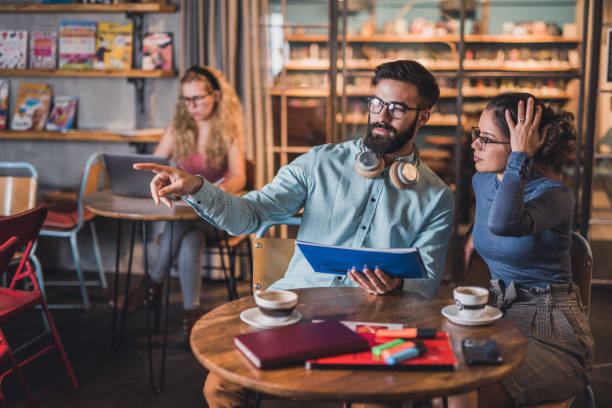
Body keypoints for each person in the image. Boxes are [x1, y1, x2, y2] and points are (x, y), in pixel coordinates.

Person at [135, 60, 454, 408]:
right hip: (296, 309)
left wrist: (398, 285)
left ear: (423, 116)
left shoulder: (437, 197)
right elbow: (250, 215)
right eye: (376, 103)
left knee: (373, 402)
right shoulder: (320, 162)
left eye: (396, 108)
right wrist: (197, 186)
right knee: (219, 387)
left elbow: (427, 284)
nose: (381, 116)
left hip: (374, 319)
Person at [455, 93, 595, 408]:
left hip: (553, 332)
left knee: (464, 389)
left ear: (523, 144)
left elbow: (504, 225)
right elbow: (491, 224)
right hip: (500, 319)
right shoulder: (483, 180)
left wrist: (520, 155)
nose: (474, 145)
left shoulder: (556, 196)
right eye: (477, 135)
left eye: (487, 139)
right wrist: (472, 238)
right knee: (441, 382)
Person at [115, 66, 246, 344]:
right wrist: (160, 178)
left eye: (198, 98)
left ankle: (152, 285)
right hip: (187, 217)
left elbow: (240, 176)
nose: (192, 106)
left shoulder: (230, 129)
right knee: (190, 237)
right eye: (186, 100)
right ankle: (191, 314)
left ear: (216, 95)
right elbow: (155, 163)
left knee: (187, 226)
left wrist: (215, 191)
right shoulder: (179, 127)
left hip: (217, 214)